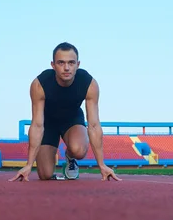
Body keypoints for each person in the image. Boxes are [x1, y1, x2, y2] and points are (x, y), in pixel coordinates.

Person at [9, 42, 121, 182]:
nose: (66, 68)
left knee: (78, 150)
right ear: (53, 65)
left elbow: (94, 125)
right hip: (48, 122)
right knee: (45, 175)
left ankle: (70, 156)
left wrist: (102, 165)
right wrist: (28, 165)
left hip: (72, 120)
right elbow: (37, 125)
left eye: (71, 63)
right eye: (61, 63)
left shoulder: (89, 84)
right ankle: (49, 160)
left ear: (78, 64)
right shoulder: (39, 84)